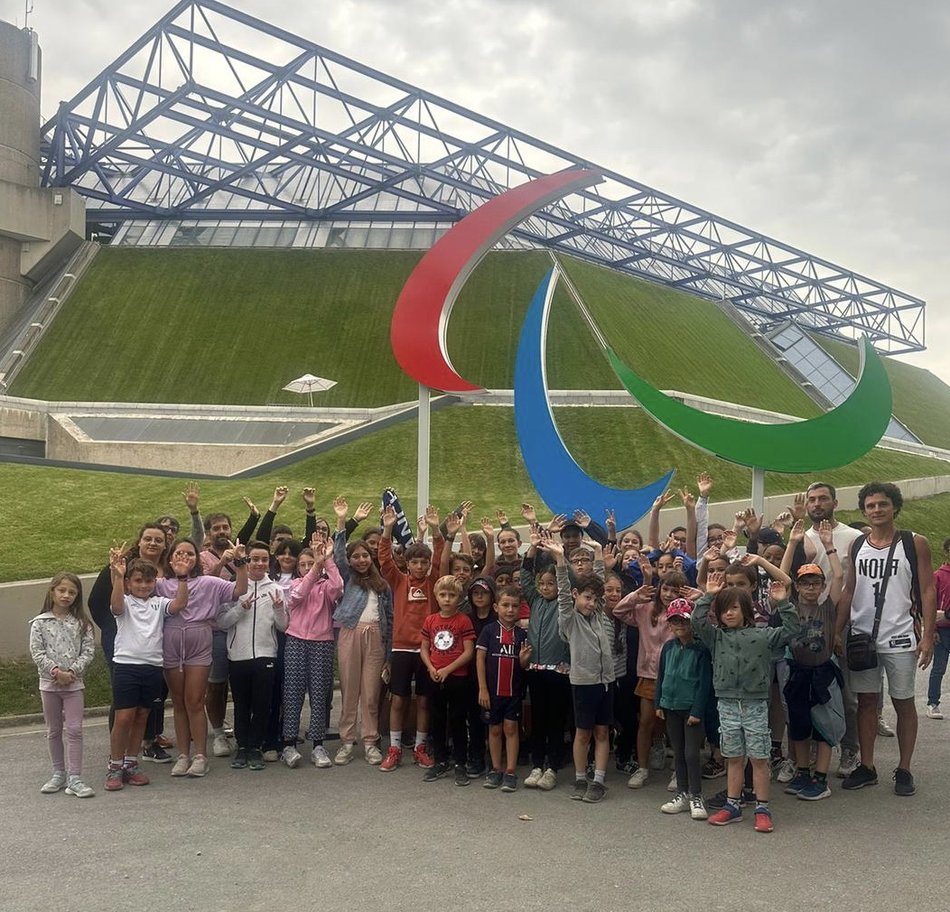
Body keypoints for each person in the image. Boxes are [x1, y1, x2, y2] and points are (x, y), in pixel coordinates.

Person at [836, 482, 937, 797]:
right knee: (866, 702)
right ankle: (867, 766)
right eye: (870, 505)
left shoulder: (914, 543)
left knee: (903, 702)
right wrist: (837, 631)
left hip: (901, 636)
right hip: (863, 638)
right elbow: (850, 589)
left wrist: (929, 636)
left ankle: (904, 768)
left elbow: (927, 589)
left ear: (895, 507)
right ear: (863, 510)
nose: (876, 510)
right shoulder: (857, 545)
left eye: (882, 504)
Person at [693, 572, 799, 832]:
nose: (728, 614)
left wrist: (782, 602)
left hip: (755, 705)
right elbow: (697, 621)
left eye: (734, 608)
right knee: (734, 757)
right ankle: (733, 805)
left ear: (747, 611)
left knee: (759, 758)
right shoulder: (716, 637)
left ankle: (762, 807)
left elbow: (792, 629)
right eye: (723, 609)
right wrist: (708, 596)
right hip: (727, 704)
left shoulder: (763, 636)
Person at [157, 537, 248, 777]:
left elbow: (240, 590)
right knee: (178, 702)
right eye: (179, 553)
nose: (184, 557)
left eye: (190, 553)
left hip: (199, 639)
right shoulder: (161, 585)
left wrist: (240, 562)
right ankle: (183, 754)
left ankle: (200, 755)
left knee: (195, 700)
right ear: (170, 558)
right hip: (171, 642)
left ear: (197, 559)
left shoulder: (209, 582)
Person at [87, 523, 173, 762]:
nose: (153, 544)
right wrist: (111, 625)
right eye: (148, 539)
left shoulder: (168, 569)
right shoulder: (121, 566)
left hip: (156, 641)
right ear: (140, 541)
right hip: (122, 641)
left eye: (159, 540)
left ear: (166, 544)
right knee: (124, 698)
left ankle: (150, 740)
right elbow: (97, 602)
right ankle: (119, 751)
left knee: (154, 695)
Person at [108, 551, 189, 790]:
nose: (143, 585)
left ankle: (131, 764)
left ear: (155, 582)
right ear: (128, 583)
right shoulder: (125, 602)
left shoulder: (159, 603)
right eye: (137, 581)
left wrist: (182, 578)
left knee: (142, 716)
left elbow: (179, 604)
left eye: (148, 581)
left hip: (153, 667)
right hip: (126, 666)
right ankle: (114, 766)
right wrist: (117, 576)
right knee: (124, 718)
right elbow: (114, 606)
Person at [544, 538, 615, 804]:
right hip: (583, 683)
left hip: (605, 682)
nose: (591, 603)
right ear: (576, 597)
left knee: (602, 732)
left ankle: (598, 780)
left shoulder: (598, 614)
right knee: (583, 733)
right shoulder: (570, 619)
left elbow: (596, 581)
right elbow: (564, 592)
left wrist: (597, 552)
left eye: (595, 599)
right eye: (586, 598)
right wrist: (561, 560)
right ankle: (580, 777)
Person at [378, 504, 446, 772]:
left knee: (425, 700)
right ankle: (394, 748)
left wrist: (436, 530)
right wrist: (387, 529)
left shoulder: (433, 582)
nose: (419, 566)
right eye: (414, 562)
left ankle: (420, 747)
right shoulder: (398, 580)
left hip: (427, 650)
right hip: (401, 649)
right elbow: (384, 559)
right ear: (406, 563)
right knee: (398, 699)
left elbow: (441, 558)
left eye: (423, 562)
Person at [216, 542, 289, 771]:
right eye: (254, 559)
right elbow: (222, 622)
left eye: (264, 559)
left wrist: (278, 609)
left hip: (266, 655)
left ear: (270, 562)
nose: (259, 563)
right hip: (238, 656)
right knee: (241, 704)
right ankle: (243, 746)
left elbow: (284, 626)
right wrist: (240, 609)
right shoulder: (234, 588)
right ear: (247, 561)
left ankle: (256, 747)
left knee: (262, 704)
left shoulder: (276, 589)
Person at [332, 500, 393, 766]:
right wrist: (342, 521)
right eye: (355, 556)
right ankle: (346, 741)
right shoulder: (348, 578)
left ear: (372, 558)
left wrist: (389, 653)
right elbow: (337, 556)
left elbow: (389, 619)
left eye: (365, 556)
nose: (360, 560)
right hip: (350, 633)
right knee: (349, 689)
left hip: (376, 637)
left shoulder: (383, 585)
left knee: (370, 693)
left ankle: (370, 741)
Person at [614, 570, 686, 788]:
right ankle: (642, 768)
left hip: (675, 677)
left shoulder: (684, 614)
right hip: (649, 674)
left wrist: (696, 597)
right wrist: (637, 595)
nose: (669, 594)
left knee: (675, 726)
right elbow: (619, 610)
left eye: (675, 591)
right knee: (646, 721)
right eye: (666, 588)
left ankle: (678, 772)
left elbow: (708, 616)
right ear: (659, 589)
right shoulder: (646, 609)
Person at [783, 553, 844, 802]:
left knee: (823, 726)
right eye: (805, 583)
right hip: (798, 672)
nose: (810, 587)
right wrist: (794, 543)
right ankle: (803, 771)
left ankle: (820, 777)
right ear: (797, 586)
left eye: (815, 583)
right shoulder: (790, 608)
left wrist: (829, 546)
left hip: (822, 673)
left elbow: (839, 575)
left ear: (822, 586)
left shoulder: (827, 608)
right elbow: (781, 578)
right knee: (799, 725)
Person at [30, 573, 97, 798]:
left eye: (71, 592)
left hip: (73, 686)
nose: (66, 595)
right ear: (52, 592)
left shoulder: (82, 624)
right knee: (54, 730)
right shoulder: (40, 623)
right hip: (49, 685)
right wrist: (55, 672)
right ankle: (58, 772)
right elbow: (37, 652)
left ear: (77, 596)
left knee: (75, 729)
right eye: (62, 591)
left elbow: (88, 652)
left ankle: (75, 777)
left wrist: (72, 672)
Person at [281, 533, 343, 769]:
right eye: (303, 565)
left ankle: (318, 744)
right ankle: (289, 744)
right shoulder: (295, 584)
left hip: (322, 642)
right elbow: (296, 598)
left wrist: (327, 559)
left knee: (319, 695)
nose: (308, 568)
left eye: (311, 562)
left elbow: (338, 586)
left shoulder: (326, 586)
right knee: (293, 693)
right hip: (296, 640)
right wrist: (316, 567)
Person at [655, 597, 712, 820]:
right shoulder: (668, 647)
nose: (679, 625)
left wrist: (697, 711)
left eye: (684, 621)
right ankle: (682, 793)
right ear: (669, 623)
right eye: (675, 621)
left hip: (691, 710)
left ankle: (697, 795)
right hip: (671, 707)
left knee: (691, 754)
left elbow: (704, 683)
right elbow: (661, 676)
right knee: (678, 753)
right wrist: (658, 702)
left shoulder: (701, 650)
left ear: (692, 623)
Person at [521, 538, 570, 792]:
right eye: (542, 584)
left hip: (559, 672)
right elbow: (525, 577)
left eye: (550, 584)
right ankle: (537, 765)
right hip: (535, 671)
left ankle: (552, 767)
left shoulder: (564, 604)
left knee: (555, 722)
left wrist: (559, 558)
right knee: (537, 722)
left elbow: (565, 580)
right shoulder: (535, 600)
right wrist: (531, 550)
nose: (545, 588)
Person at [420, 576, 476, 785]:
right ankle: (440, 761)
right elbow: (425, 648)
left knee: (458, 721)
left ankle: (460, 763)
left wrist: (448, 669)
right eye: (443, 595)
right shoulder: (431, 620)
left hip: (457, 678)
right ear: (436, 596)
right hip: (434, 677)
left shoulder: (463, 620)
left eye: (452, 595)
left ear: (459, 598)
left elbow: (468, 651)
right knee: (437, 720)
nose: (447, 599)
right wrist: (431, 668)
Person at [477, 585, 532, 791]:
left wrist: (524, 660)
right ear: (496, 607)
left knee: (511, 728)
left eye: (515, 606)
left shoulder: (521, 634)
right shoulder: (488, 631)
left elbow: (523, 665)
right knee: (494, 729)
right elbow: (480, 659)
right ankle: (496, 768)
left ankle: (510, 771)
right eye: (505, 605)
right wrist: (482, 688)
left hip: (513, 692)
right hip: (491, 692)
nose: (510, 610)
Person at [926, 537, 950, 719]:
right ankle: (933, 703)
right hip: (942, 630)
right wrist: (932, 629)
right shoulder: (938, 575)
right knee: (938, 668)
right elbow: (930, 604)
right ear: (946, 552)